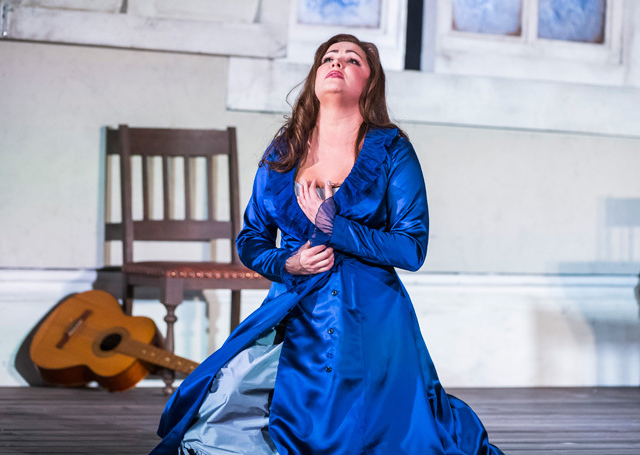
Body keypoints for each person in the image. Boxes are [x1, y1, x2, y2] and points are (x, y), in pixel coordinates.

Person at [151, 34, 504, 455]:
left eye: (352, 60)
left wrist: (336, 227)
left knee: (357, 432)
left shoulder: (392, 151)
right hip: (292, 307)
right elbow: (250, 239)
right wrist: (289, 262)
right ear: (315, 77)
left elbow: (412, 248)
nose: (337, 63)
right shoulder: (282, 152)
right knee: (218, 402)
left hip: (368, 314)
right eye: (328, 58)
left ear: (369, 83)